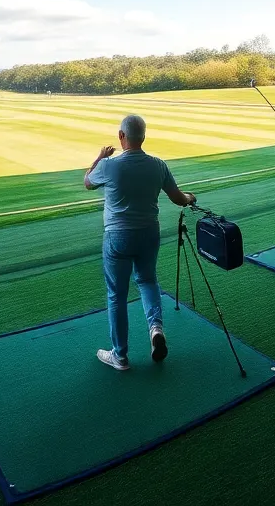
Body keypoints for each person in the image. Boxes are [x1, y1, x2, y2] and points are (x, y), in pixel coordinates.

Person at [84, 114, 196, 371]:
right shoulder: (158, 165)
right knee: (147, 281)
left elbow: (88, 183)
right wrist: (190, 197)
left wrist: (99, 157)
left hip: (118, 237)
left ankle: (120, 356)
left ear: (121, 136)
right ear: (143, 137)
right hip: (149, 233)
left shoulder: (109, 165)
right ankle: (155, 329)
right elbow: (179, 198)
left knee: (117, 295)